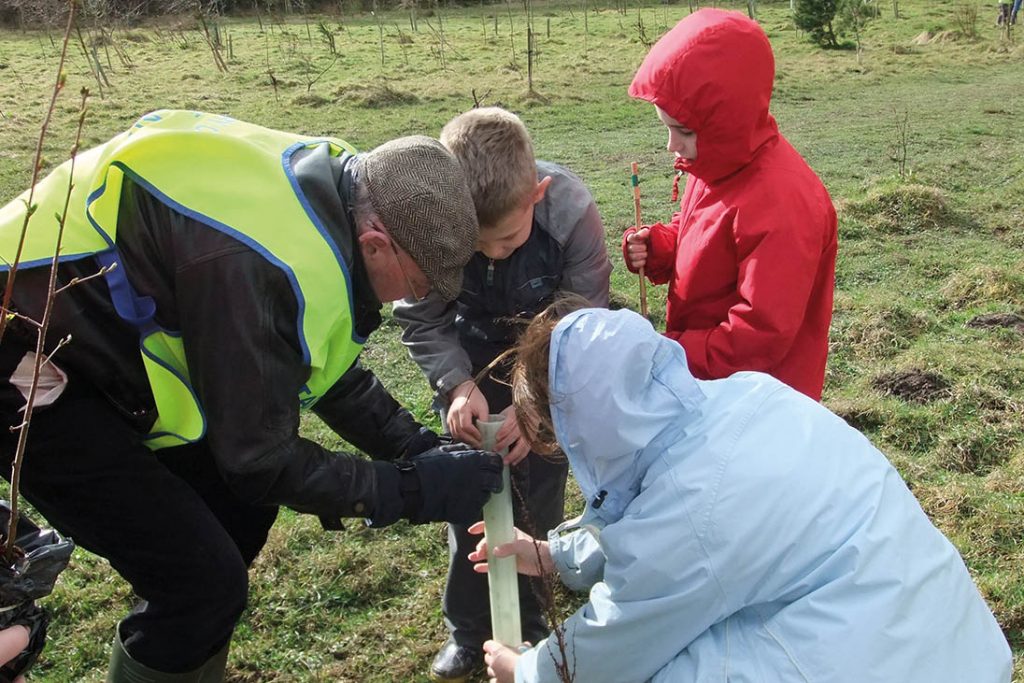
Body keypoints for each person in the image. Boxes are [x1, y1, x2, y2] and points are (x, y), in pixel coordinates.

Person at [0, 109, 505, 682]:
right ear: (376, 243)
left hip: (87, 332)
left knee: (235, 520)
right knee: (201, 582)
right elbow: (259, 461)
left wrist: (412, 443)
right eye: (417, 284)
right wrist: (414, 490)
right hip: (27, 354)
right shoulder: (255, 262)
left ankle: (181, 642)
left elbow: (314, 356)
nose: (406, 300)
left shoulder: (334, 188)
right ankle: (181, 625)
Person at [471, 301, 1013, 683]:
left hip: (889, 659)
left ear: (587, 432)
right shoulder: (745, 395)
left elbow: (619, 642)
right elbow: (668, 535)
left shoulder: (690, 507)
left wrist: (531, 671)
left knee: (670, 668)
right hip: (940, 633)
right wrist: (552, 556)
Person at [392, 107, 612, 681]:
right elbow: (420, 316)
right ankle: (468, 632)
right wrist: (457, 385)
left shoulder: (571, 213)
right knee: (468, 495)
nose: (493, 254)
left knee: (538, 491)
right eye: (477, 245)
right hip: (470, 371)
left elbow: (580, 317)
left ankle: (534, 631)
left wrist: (534, 403)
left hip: (550, 368)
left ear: (537, 195)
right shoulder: (433, 218)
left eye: (509, 238)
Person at [623, 9, 838, 400]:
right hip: (710, 384)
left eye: (683, 130)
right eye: (666, 127)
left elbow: (758, 336)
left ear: (727, 118)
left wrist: (671, 353)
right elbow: (703, 235)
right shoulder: (719, 161)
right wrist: (660, 245)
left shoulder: (782, 203)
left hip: (756, 405)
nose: (671, 145)